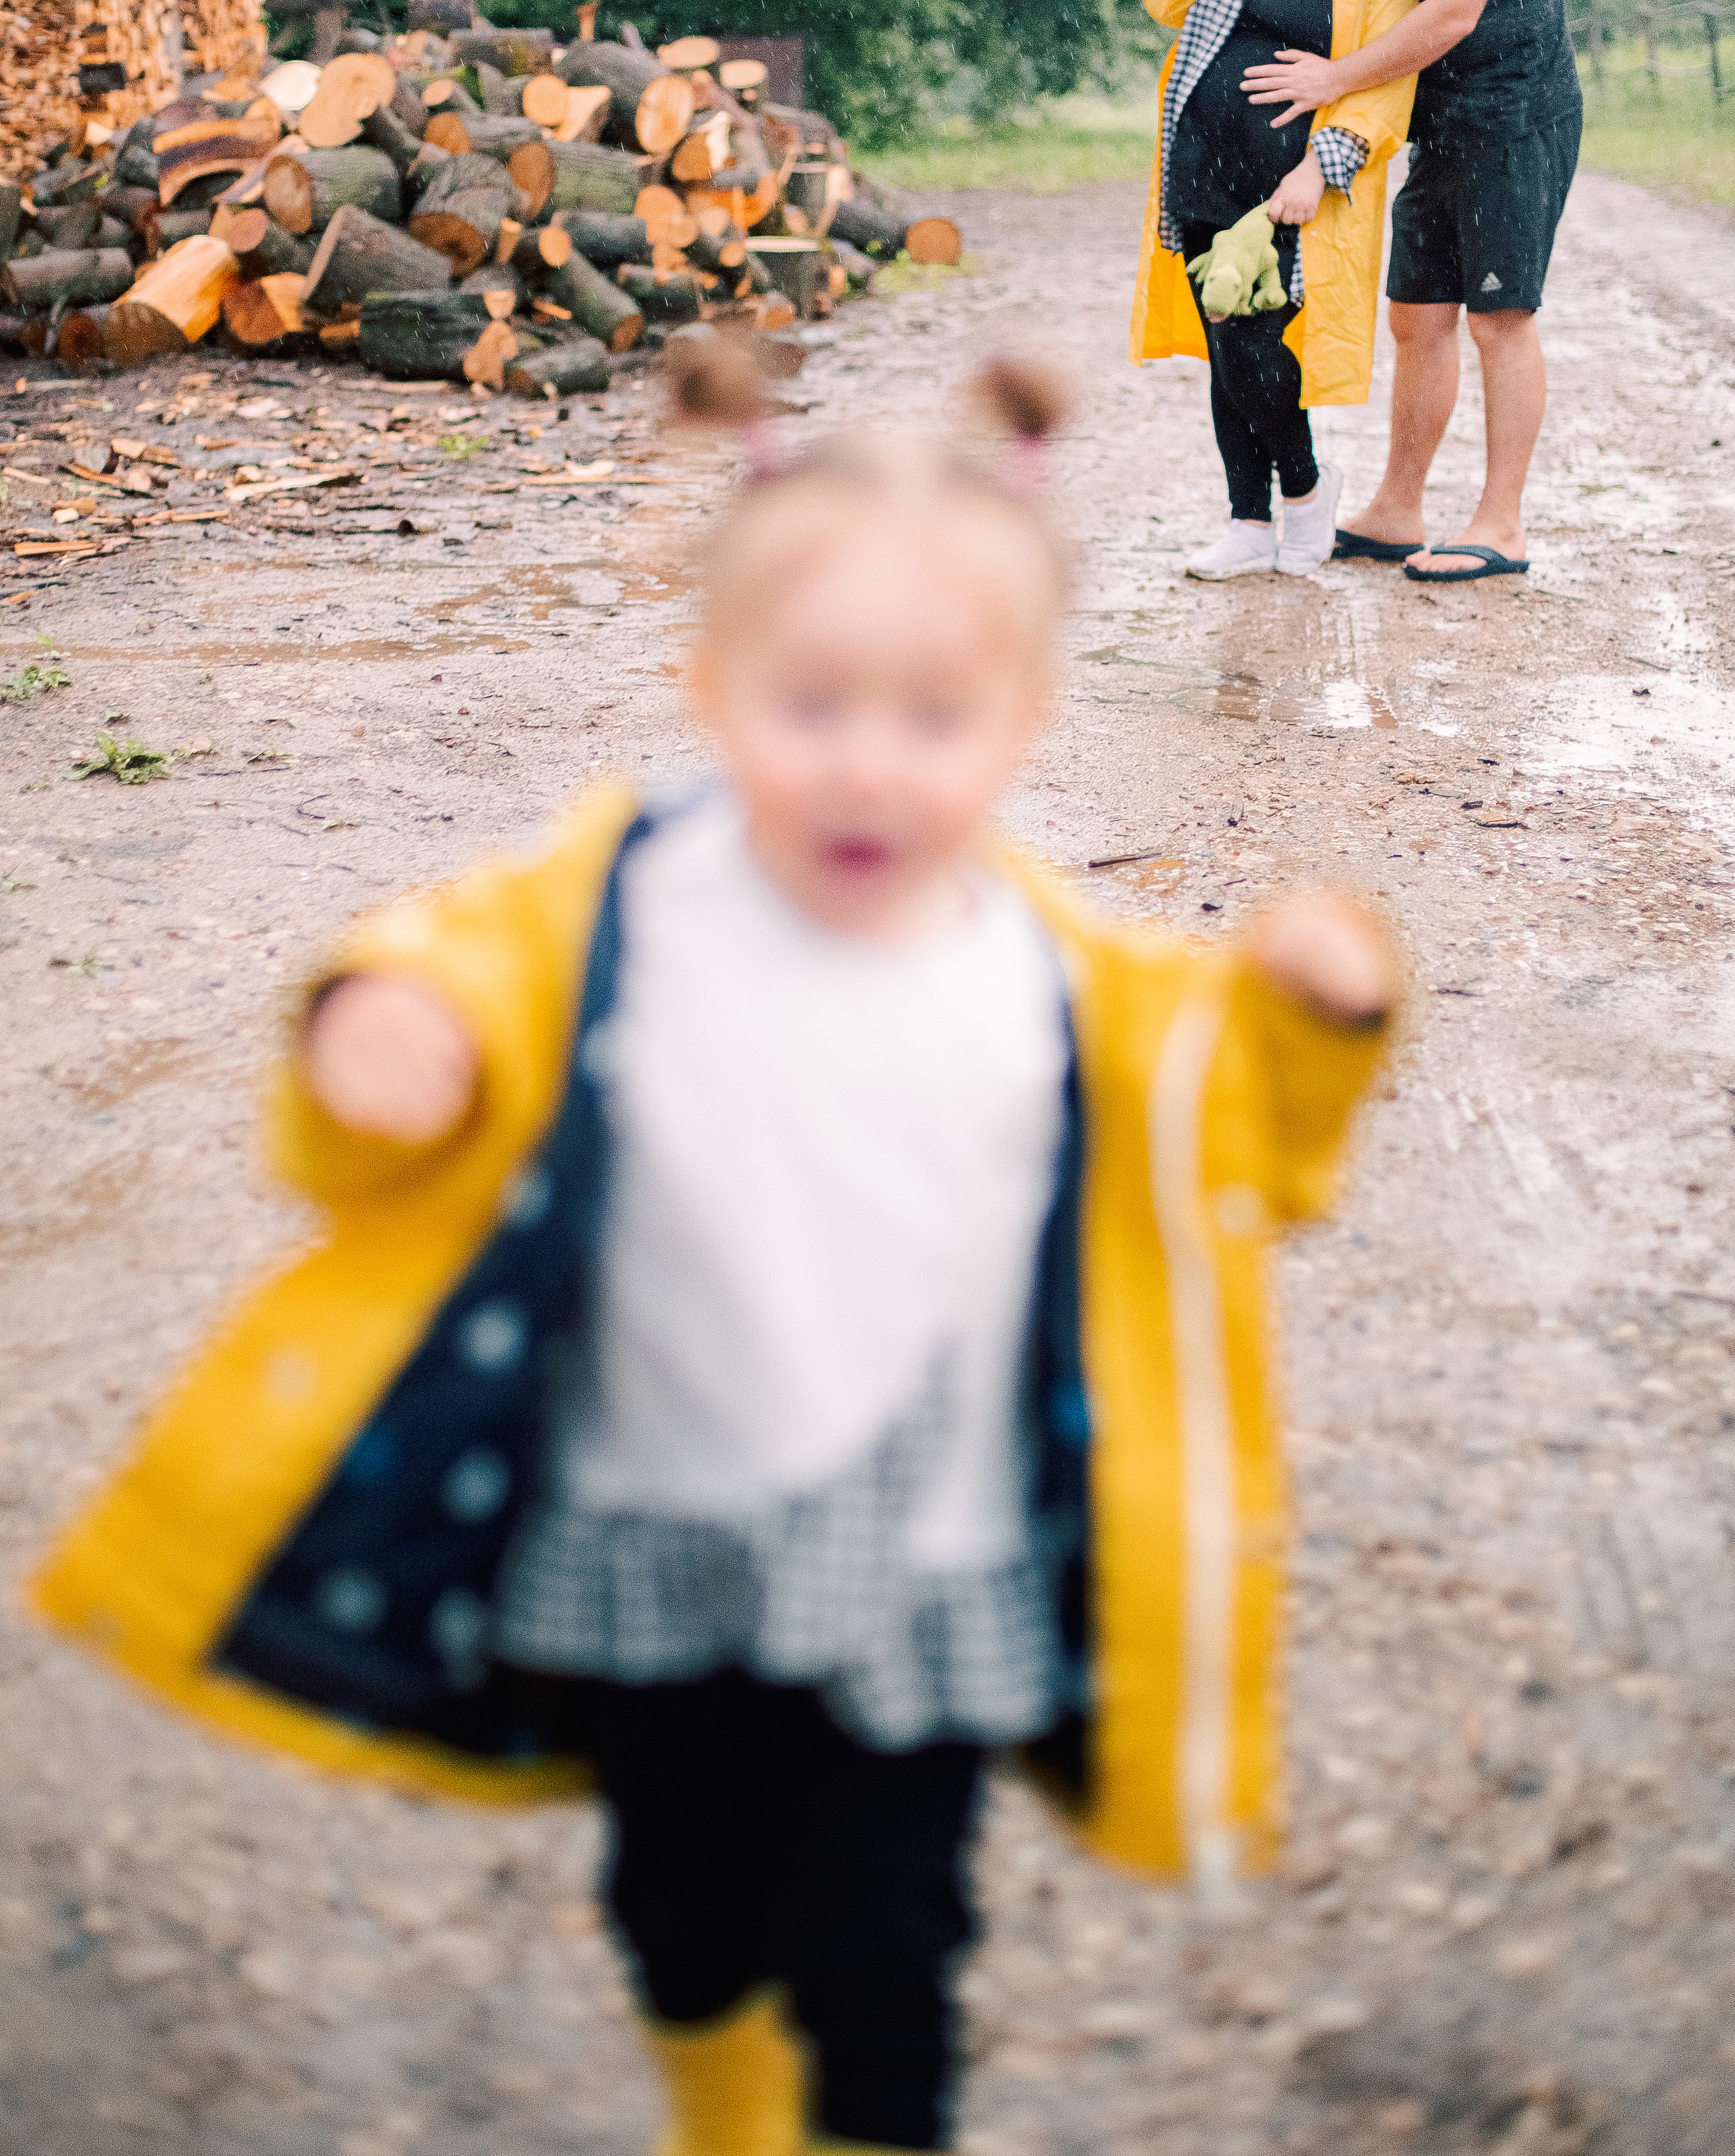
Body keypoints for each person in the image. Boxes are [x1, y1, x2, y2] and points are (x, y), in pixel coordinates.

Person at [31, 348, 1399, 2156]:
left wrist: (1317, 1016)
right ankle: (722, 2105)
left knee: (887, 1948)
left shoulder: (1069, 986)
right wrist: (379, 1034)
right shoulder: (615, 900)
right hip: (646, 1513)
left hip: (923, 1553)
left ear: (1024, 721)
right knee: (682, 1910)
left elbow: (1240, 1147)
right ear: (707, 690)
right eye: (808, 704)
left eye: (935, 718)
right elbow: (437, 972)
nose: (867, 765)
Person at [1242, 0, 1584, 584]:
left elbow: (1448, 19)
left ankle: (1500, 525)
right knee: (1416, 316)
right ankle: (1398, 509)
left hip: (1514, 116)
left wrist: (1333, 81)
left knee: (1499, 318)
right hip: (1440, 124)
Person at [1130, 0, 1418, 579]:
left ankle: (1305, 490)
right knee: (1228, 349)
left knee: (1257, 347)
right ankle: (1247, 523)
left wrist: (1315, 170)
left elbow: (1388, 78)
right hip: (1197, 171)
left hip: (1284, 187)